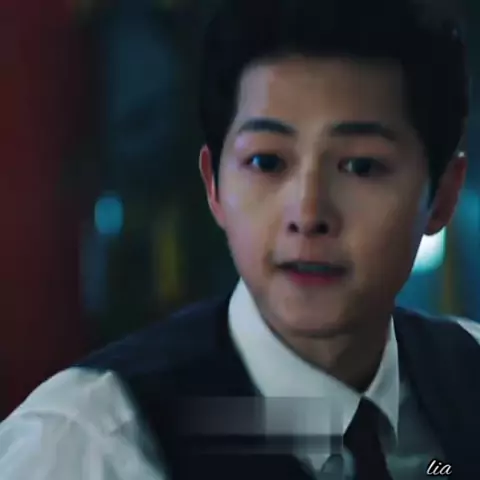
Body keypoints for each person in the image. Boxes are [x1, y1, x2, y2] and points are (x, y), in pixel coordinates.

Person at [1, 0, 479, 478]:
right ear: (214, 185)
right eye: (267, 162)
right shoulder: (88, 446)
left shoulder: (467, 373)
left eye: (362, 166)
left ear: (442, 196)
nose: (308, 214)